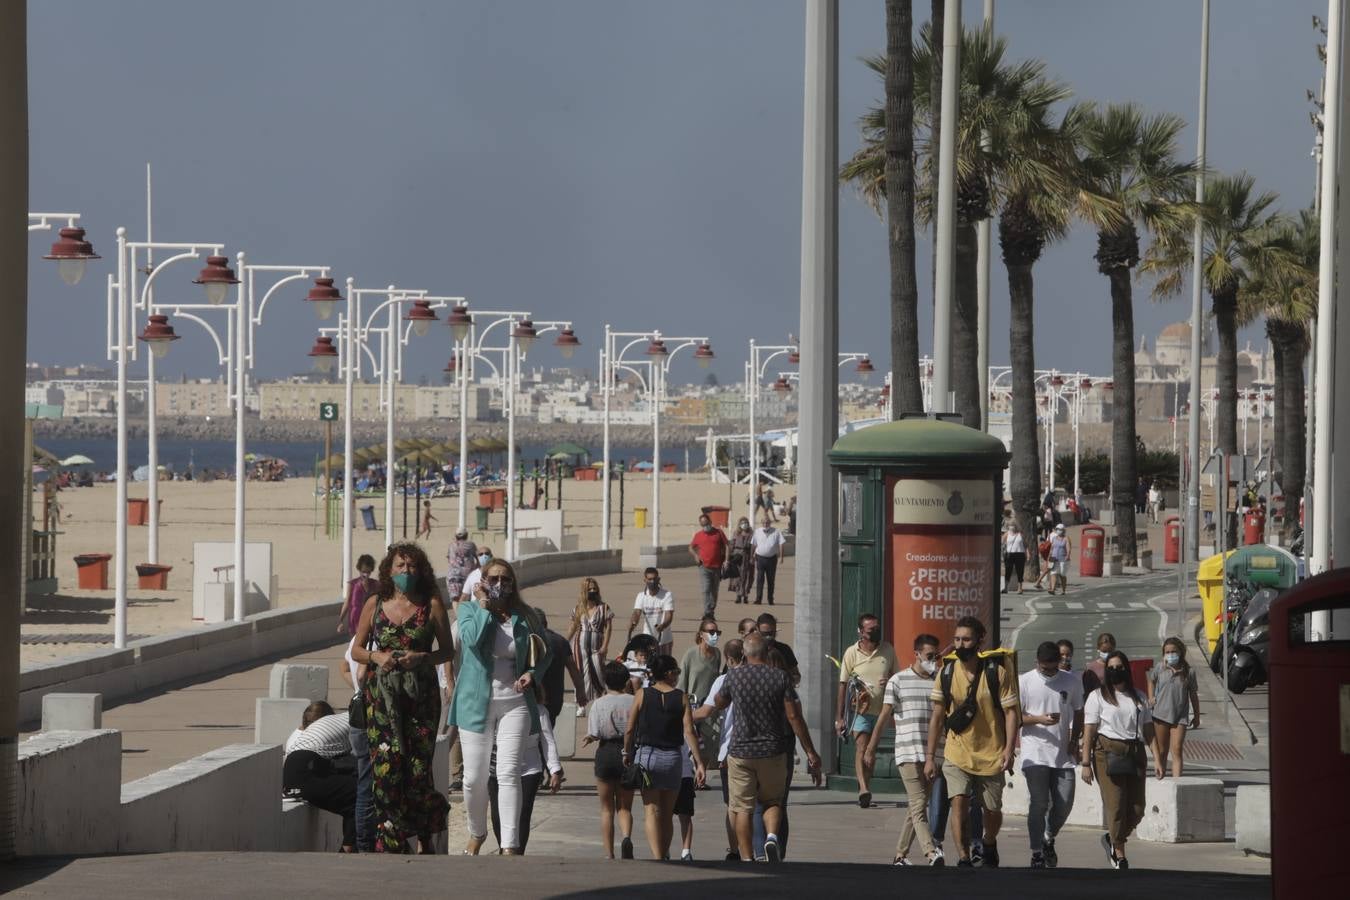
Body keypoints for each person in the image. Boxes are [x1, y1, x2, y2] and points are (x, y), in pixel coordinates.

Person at [349, 543, 453, 853]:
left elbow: (448, 651)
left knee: (418, 769)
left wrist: (420, 657)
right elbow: (356, 649)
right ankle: (390, 840)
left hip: (420, 697)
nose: (406, 572)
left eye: (412, 567)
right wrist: (376, 657)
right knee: (386, 766)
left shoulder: (431, 604)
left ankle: (424, 837)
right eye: (400, 566)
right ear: (389, 570)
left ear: (421, 571)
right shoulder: (375, 603)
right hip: (382, 698)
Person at [448, 557, 551, 856]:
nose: (500, 585)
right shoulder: (468, 610)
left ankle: (509, 844)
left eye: (506, 579)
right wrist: (482, 605)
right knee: (473, 778)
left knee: (508, 773)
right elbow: (471, 639)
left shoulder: (525, 615)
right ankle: (477, 832)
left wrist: (533, 674)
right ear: (482, 580)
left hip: (515, 703)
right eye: (493, 578)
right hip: (475, 703)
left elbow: (544, 653)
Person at [713, 633, 822, 863]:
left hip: (741, 750)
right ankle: (771, 836)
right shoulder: (780, 677)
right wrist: (810, 751)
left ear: (745, 653)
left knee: (743, 806)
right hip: (773, 750)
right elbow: (794, 717)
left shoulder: (734, 676)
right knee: (773, 800)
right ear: (765, 651)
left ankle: (746, 856)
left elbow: (719, 703)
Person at [925, 616, 1019, 868]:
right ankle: (964, 856)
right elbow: (936, 716)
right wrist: (930, 757)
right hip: (957, 752)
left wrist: (1009, 750)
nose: (960, 644)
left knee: (992, 811)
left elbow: (1011, 713)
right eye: (956, 639)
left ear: (980, 640)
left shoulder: (996, 672)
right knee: (959, 802)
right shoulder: (945, 672)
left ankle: (989, 841)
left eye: (966, 639)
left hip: (992, 753)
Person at [863, 633, 945, 866]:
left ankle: (900, 855)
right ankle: (931, 852)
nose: (934, 660)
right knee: (920, 804)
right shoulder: (898, 680)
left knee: (915, 806)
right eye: (930, 656)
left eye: (936, 656)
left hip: (933, 753)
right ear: (916, 654)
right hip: (907, 752)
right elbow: (884, 716)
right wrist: (871, 748)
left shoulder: (939, 680)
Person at [1082, 650, 1164, 870]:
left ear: (1127, 669)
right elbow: (1089, 730)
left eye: (1119, 667)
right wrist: (1085, 763)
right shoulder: (1097, 697)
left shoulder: (1139, 697)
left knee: (1137, 808)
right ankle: (1119, 852)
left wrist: (1157, 759)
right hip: (1107, 753)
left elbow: (1148, 731)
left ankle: (1113, 837)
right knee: (1116, 805)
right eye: (1111, 668)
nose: (1115, 671)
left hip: (1135, 753)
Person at [622, 654, 707, 860]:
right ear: (668, 674)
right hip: (672, 758)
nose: (677, 676)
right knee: (668, 813)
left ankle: (658, 857)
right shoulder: (682, 697)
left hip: (647, 756)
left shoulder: (642, 694)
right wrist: (699, 762)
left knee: (651, 810)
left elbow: (630, 728)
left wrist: (627, 752)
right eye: (676, 672)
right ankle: (664, 853)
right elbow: (689, 731)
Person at [1019, 641, 1085, 869]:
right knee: (1039, 803)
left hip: (1063, 754)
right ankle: (1037, 852)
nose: (1047, 671)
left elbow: (1079, 711)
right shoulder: (1025, 681)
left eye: (1052, 667)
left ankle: (1048, 836)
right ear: (1037, 662)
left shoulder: (1071, 681)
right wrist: (1039, 719)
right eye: (1043, 667)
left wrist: (1075, 739)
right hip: (1034, 753)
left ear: (1060, 661)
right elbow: (1014, 717)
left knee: (1065, 803)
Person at [834, 613, 898, 809]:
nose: (876, 632)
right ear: (861, 632)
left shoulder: (888, 650)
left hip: (881, 711)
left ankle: (866, 787)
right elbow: (843, 684)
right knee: (862, 748)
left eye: (877, 628)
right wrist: (839, 717)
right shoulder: (851, 653)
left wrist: (889, 682)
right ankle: (862, 788)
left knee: (871, 752)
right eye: (871, 630)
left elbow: (897, 676)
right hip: (858, 710)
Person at [693, 638, 745, 862]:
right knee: (757, 804)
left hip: (731, 750)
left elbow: (705, 712)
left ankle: (736, 850)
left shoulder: (724, 680)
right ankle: (758, 846)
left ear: (730, 659)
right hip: (762, 750)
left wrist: (682, 714)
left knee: (733, 805)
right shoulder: (767, 676)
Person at [282, 701, 358, 853]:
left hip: (296, 769)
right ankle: (349, 848)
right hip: (307, 768)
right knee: (360, 794)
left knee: (351, 788)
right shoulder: (358, 720)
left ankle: (350, 845)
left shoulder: (337, 721)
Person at [488, 707, 563, 854]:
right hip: (497, 770)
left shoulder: (539, 712)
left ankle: (517, 852)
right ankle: (504, 848)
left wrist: (555, 770)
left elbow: (548, 741)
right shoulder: (497, 707)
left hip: (529, 770)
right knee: (497, 816)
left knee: (522, 814)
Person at [583, 661, 638, 859]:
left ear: (605, 682)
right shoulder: (634, 701)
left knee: (606, 809)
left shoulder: (599, 703)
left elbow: (594, 732)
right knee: (625, 807)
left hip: (606, 752)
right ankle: (626, 837)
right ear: (626, 681)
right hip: (628, 753)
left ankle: (609, 853)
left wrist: (589, 738)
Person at [339, 636, 376, 851]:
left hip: (356, 713)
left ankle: (363, 841)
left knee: (364, 782)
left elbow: (343, 666)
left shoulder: (356, 639)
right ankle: (365, 842)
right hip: (369, 715)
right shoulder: (376, 640)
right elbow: (362, 674)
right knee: (368, 787)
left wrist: (355, 689)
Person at [1147, 636, 1200, 778]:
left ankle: (1177, 783)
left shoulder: (1189, 672)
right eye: (1167, 652)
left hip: (1180, 717)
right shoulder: (1160, 668)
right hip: (1160, 715)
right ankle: (1161, 778)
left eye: (1173, 651)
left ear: (1181, 652)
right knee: (1162, 751)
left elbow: (1193, 695)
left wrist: (1197, 716)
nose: (1170, 655)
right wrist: (1151, 697)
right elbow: (1151, 681)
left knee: (1177, 749)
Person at [566, 577, 614, 710]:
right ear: (584, 591)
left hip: (597, 645)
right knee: (581, 673)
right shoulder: (578, 608)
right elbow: (573, 627)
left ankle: (600, 701)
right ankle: (581, 704)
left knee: (598, 672)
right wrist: (565, 642)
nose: (592, 591)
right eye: (589, 589)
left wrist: (605, 645)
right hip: (579, 645)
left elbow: (608, 628)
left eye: (594, 589)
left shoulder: (604, 608)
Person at [679, 617, 723, 746]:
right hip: (693, 707)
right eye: (711, 632)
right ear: (701, 634)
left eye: (717, 632)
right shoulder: (691, 654)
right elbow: (682, 682)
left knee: (710, 744)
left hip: (710, 707)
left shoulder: (717, 654)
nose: (714, 635)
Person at [628, 567, 675, 656]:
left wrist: (663, 625)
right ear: (645, 580)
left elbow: (669, 615)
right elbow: (637, 612)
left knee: (664, 666)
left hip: (664, 639)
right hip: (648, 639)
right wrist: (633, 623)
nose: (652, 582)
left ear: (658, 579)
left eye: (654, 579)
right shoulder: (641, 596)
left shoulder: (667, 595)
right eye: (649, 579)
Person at [689, 513, 729, 617]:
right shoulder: (698, 535)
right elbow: (691, 547)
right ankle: (707, 612)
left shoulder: (719, 533)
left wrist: (726, 560)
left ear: (710, 522)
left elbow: (727, 545)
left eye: (706, 523)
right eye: (703, 524)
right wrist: (696, 556)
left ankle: (711, 609)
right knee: (705, 589)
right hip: (704, 567)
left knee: (714, 591)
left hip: (717, 567)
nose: (705, 526)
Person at [755, 613, 799, 685]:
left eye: (771, 633)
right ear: (757, 629)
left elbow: (796, 675)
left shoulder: (784, 649)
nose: (768, 637)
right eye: (765, 634)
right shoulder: (751, 650)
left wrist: (785, 679)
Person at [751, 515, 786, 605]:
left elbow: (781, 544)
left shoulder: (776, 531)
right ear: (762, 523)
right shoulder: (757, 531)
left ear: (770, 523)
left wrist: (781, 557)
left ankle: (770, 599)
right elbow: (753, 544)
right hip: (760, 558)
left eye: (767, 522)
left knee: (771, 580)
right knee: (760, 579)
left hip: (772, 559)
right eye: (764, 522)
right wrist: (752, 556)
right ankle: (758, 599)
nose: (766, 524)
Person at [338, 554, 376, 635]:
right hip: (355, 619)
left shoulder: (375, 584)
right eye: (363, 572)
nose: (365, 574)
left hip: (369, 618)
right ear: (359, 570)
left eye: (368, 572)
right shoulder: (353, 584)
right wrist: (340, 620)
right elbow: (347, 602)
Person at [444, 529, 478, 608]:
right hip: (468, 575)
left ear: (456, 536)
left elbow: (449, 559)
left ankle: (458, 618)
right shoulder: (471, 545)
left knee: (455, 599)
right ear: (466, 535)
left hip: (453, 576)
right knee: (466, 598)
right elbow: (477, 558)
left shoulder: (451, 545)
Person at [726, 517, 756, 604]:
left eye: (746, 522)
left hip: (747, 556)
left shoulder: (752, 534)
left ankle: (745, 595)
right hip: (737, 556)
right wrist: (729, 557)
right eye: (743, 523)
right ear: (739, 524)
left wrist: (752, 557)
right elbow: (731, 544)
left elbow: (754, 546)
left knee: (747, 576)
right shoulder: (736, 533)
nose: (744, 524)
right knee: (737, 576)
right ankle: (738, 595)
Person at [1047, 523, 1072, 595]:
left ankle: (1063, 590)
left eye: (1060, 530)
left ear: (1064, 530)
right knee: (1053, 573)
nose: (1059, 531)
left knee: (1062, 574)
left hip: (1063, 559)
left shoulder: (1066, 538)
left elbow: (1068, 548)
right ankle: (1052, 589)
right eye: (1057, 529)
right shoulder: (1054, 538)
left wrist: (1068, 555)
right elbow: (1052, 548)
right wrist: (1049, 556)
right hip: (1054, 559)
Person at [1003, 522, 1027, 594]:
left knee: (1020, 571)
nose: (1012, 527)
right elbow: (1002, 542)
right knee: (1008, 571)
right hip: (1009, 554)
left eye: (1013, 525)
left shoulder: (1020, 534)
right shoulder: (1006, 534)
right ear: (1008, 526)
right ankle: (1005, 588)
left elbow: (1025, 544)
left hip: (1020, 554)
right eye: (1010, 525)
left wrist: (1027, 553)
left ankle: (1020, 588)